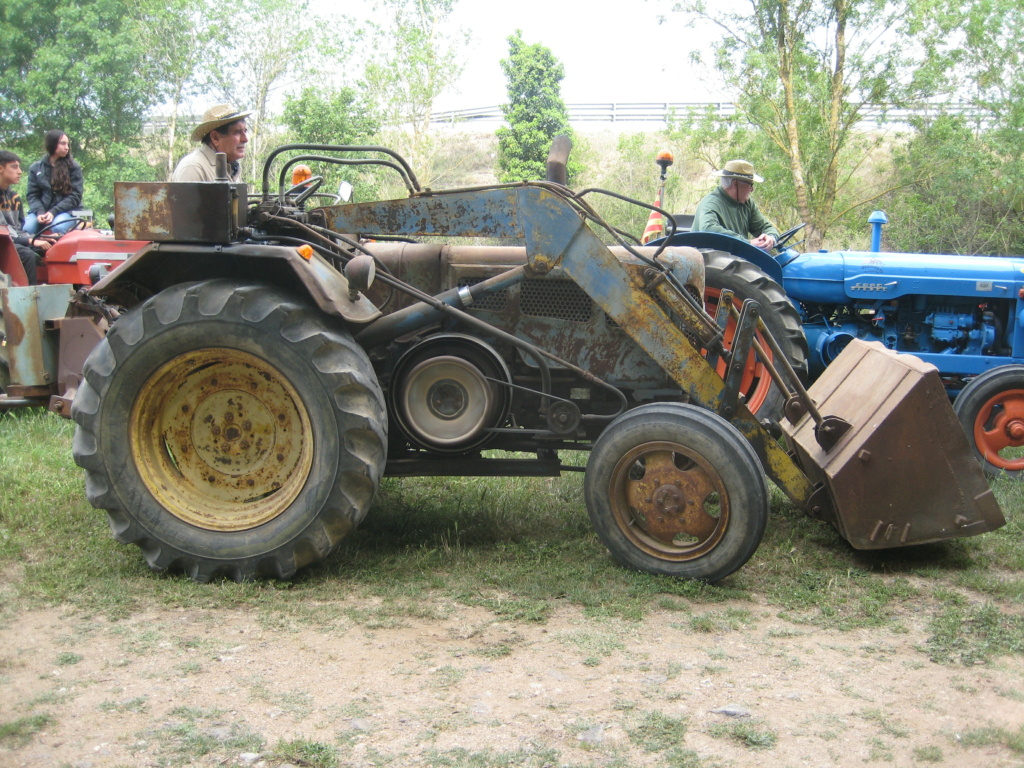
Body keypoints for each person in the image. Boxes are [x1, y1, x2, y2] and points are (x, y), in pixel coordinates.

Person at [692, 159, 780, 250]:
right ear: (735, 184)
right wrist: (748, 243)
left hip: (733, 260)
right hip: (708, 261)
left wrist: (771, 238)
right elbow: (708, 229)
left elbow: (765, 227)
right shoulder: (711, 203)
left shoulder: (747, 203)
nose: (752, 189)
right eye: (750, 184)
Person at [0, 150, 53, 285]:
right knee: (26, 254)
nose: (20, 171)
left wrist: (39, 238)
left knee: (51, 248)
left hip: (12, 240)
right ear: (1, 168)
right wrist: (30, 241)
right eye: (14, 167)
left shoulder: (14, 197)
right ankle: (30, 296)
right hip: (3, 243)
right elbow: (3, 232)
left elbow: (18, 229)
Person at [24, 130, 84, 237]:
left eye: (67, 144)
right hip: (41, 211)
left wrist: (53, 212)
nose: (67, 147)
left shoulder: (73, 167)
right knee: (27, 228)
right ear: (52, 144)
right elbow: (32, 195)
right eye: (63, 143)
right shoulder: (36, 168)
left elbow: (75, 196)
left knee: (58, 227)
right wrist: (40, 212)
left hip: (66, 212)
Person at [172, 104, 251, 183]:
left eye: (245, 131)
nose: (245, 139)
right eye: (237, 132)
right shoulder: (193, 168)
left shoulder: (232, 168)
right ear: (215, 138)